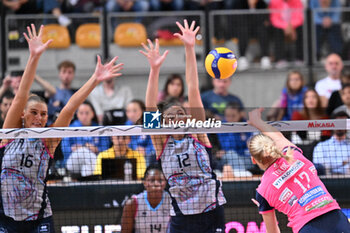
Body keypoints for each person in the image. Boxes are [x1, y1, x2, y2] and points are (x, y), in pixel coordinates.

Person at [0, 24, 123, 232]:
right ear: (22, 114)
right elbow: (21, 95)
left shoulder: (49, 140)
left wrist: (95, 79)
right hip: (6, 219)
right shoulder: (9, 134)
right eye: (34, 113)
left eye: (44, 114)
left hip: (39, 219)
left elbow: (70, 107)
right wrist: (34, 57)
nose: (39, 118)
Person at [142, 20, 226, 232]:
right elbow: (150, 106)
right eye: (171, 117)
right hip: (181, 214)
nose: (178, 118)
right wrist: (154, 69)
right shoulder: (161, 142)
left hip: (211, 210)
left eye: (181, 114)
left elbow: (193, 88)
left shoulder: (198, 134)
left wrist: (190, 48)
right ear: (164, 123)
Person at [247, 108, 350, 233]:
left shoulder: (262, 191)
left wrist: (263, 204)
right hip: (336, 218)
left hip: (308, 228)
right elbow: (278, 137)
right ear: (273, 146)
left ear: (253, 160)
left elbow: (273, 231)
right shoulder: (293, 154)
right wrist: (257, 120)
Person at [61, 101, 110, 177]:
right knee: (83, 151)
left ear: (92, 114)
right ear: (77, 114)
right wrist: (83, 148)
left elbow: (106, 148)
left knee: (87, 164)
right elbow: (65, 150)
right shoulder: (70, 129)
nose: (84, 116)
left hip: (93, 163)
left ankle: (86, 181)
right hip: (73, 163)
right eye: (81, 113)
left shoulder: (99, 129)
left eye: (87, 113)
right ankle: (92, 179)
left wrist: (97, 149)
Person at [121, 164, 171, 233]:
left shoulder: (172, 202)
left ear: (165, 182)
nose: (156, 184)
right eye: (152, 180)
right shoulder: (132, 203)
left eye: (160, 180)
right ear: (144, 183)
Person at [217, 102, 254, 177]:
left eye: (233, 116)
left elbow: (249, 145)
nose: (230, 119)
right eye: (227, 116)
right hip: (227, 157)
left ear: (240, 114)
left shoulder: (247, 125)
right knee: (232, 154)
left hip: (245, 158)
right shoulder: (221, 125)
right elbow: (228, 147)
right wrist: (233, 130)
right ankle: (242, 179)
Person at [35, 60, 77, 126]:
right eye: (64, 72)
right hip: (53, 127)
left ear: (73, 74)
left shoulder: (76, 93)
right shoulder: (52, 91)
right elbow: (50, 90)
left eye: (69, 72)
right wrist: (34, 76)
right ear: (59, 74)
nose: (66, 75)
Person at [313, 111, 350, 175]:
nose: (340, 126)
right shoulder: (321, 146)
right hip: (326, 179)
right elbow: (318, 163)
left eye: (343, 123)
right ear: (332, 124)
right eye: (337, 123)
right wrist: (342, 162)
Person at [269, 0, 304, 69]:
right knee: (277, 31)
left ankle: (300, 58)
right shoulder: (274, 2)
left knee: (301, 30)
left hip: (294, 26)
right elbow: (274, 18)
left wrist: (291, 27)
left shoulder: (297, 1)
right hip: (280, 26)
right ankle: (280, 59)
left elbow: (299, 17)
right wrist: (285, 27)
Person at [126, 100, 156, 166]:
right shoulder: (125, 127)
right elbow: (126, 143)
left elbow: (155, 143)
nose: (131, 114)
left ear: (142, 111)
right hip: (133, 155)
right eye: (128, 111)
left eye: (135, 111)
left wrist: (146, 150)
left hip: (149, 156)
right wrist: (135, 148)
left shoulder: (150, 122)